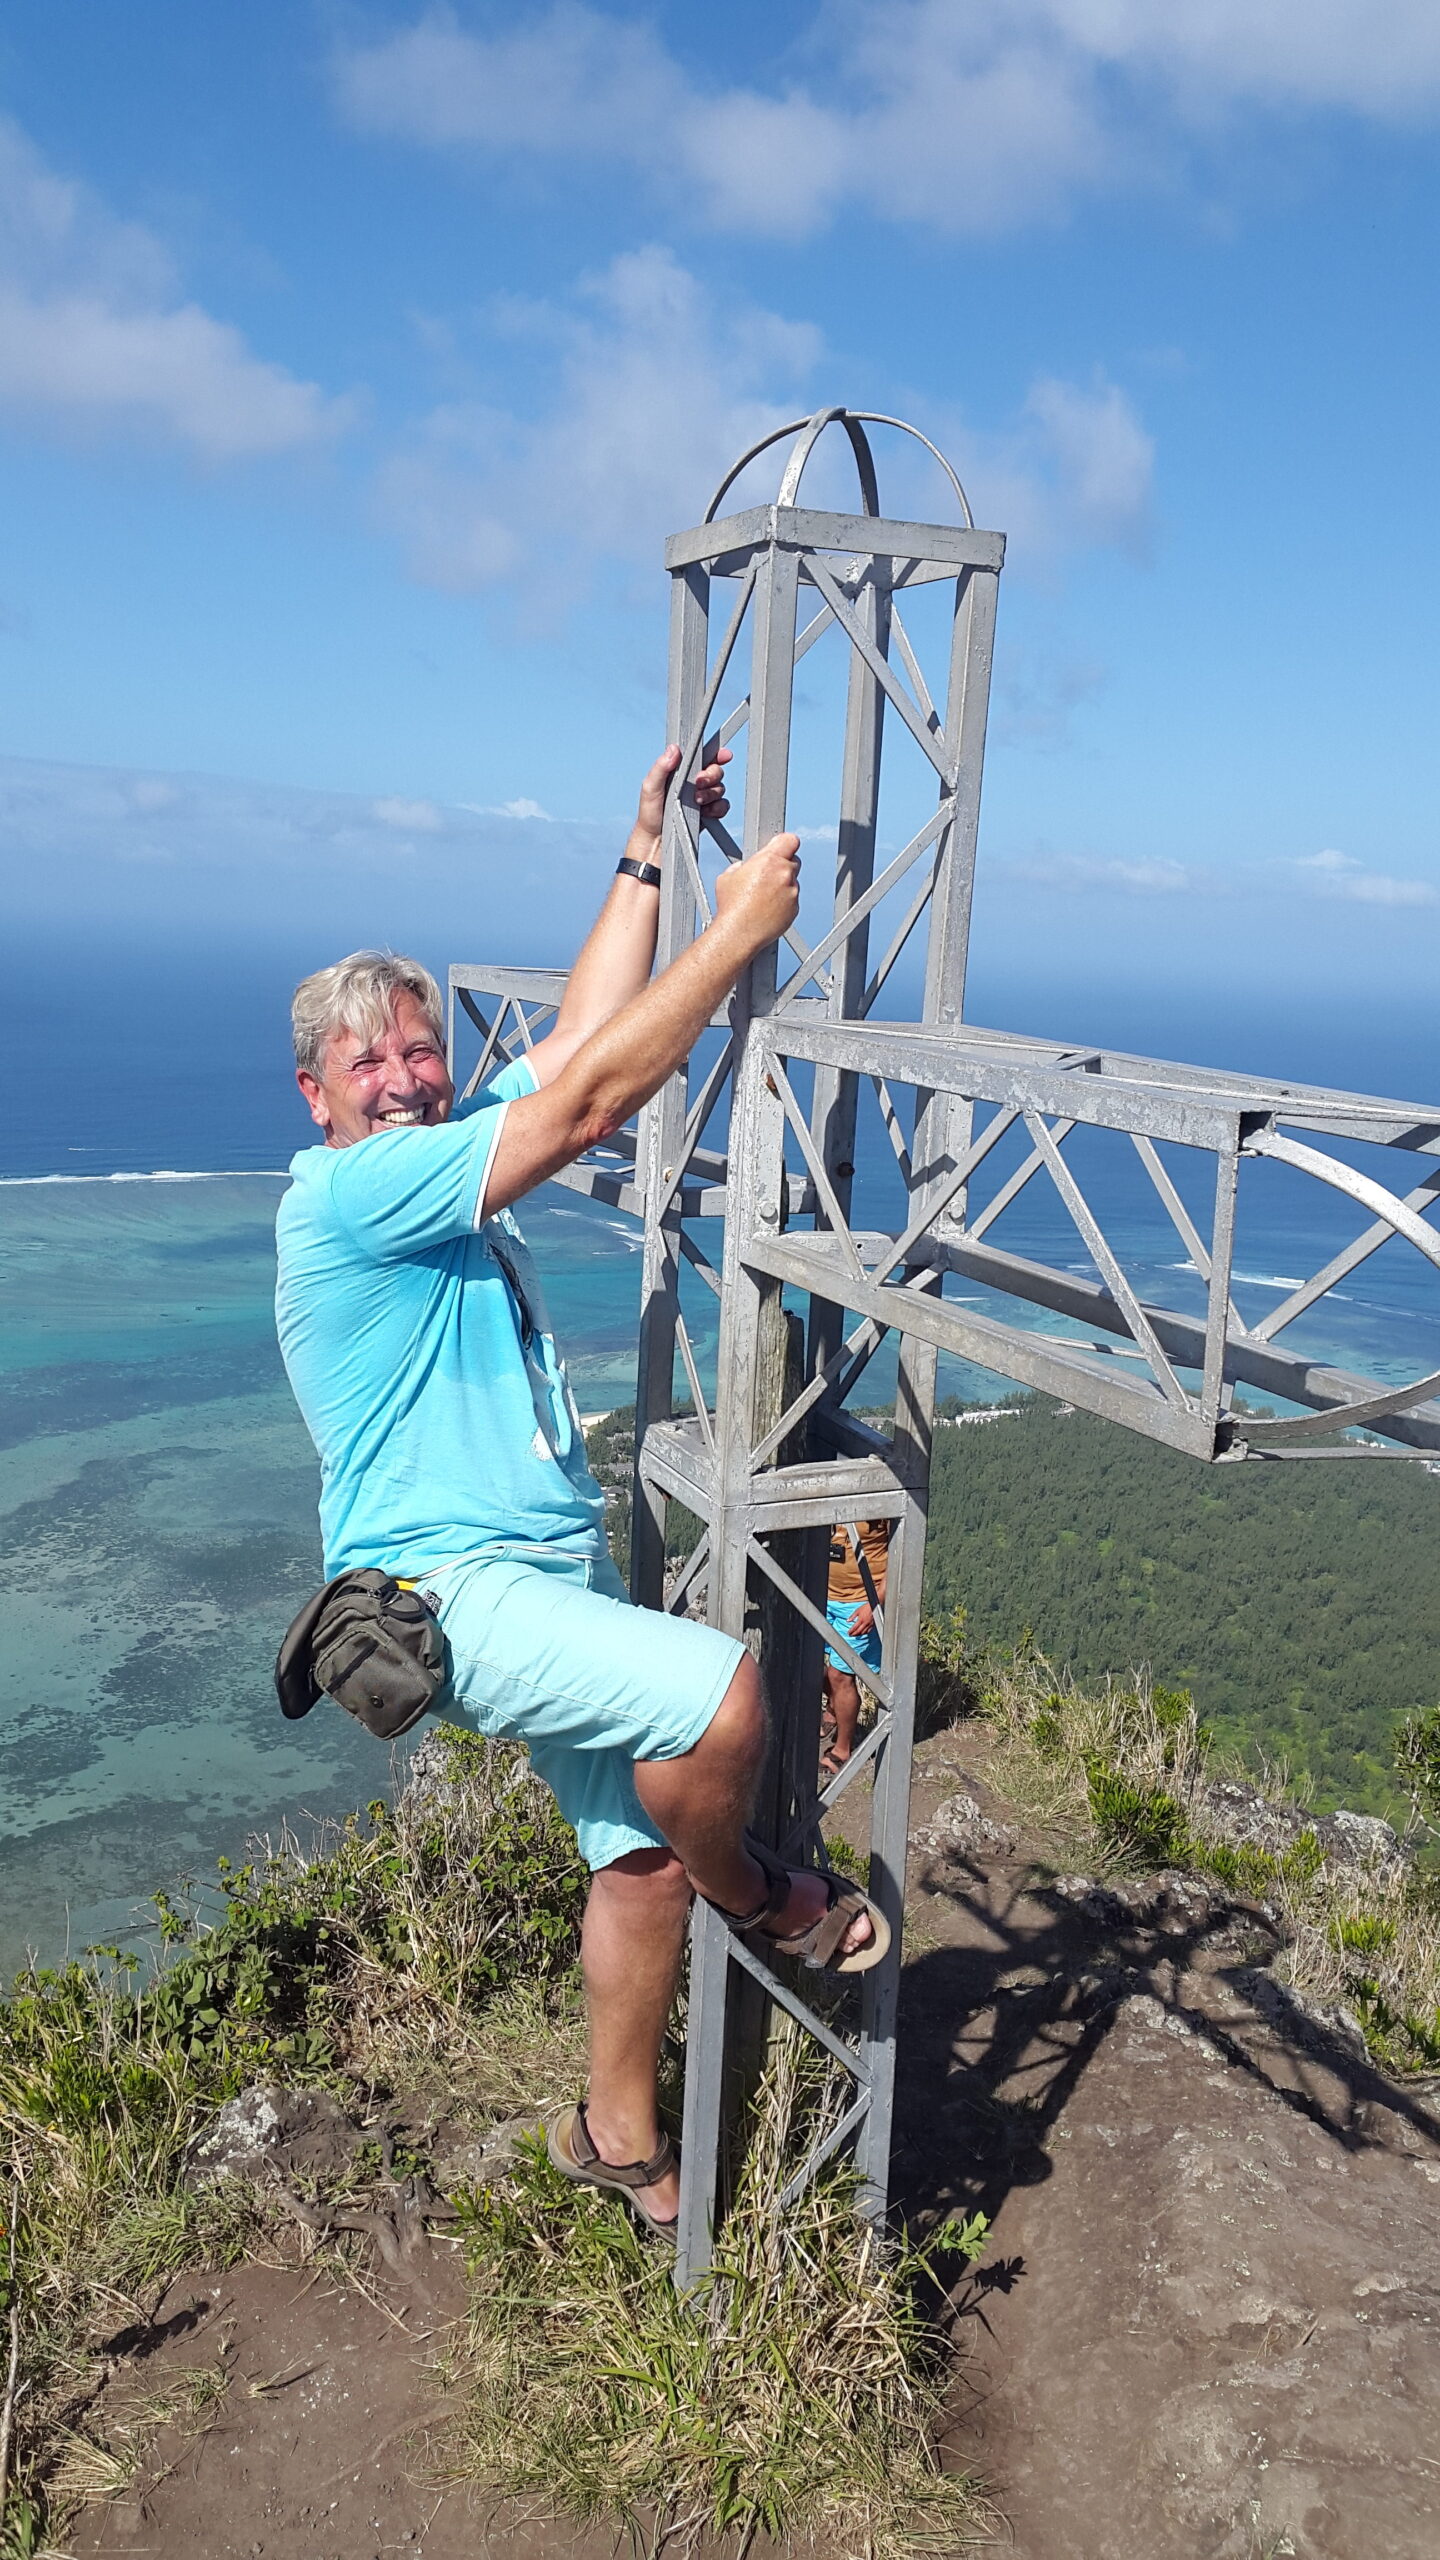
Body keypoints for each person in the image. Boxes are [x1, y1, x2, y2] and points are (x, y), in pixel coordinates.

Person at [274, 747, 889, 2240]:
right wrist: (736, 931)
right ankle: (767, 1898)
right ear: (317, 1095)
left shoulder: (427, 1159)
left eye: (418, 1052)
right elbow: (598, 1093)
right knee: (725, 1706)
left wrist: (640, 851)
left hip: (530, 1578)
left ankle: (615, 2136)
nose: (411, 1079)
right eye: (372, 1064)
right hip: (453, 1596)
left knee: (634, 1863)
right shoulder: (359, 1195)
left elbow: (574, 1045)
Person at [820, 1519, 891, 1777]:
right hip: (821, 1592)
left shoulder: (880, 1503)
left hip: (859, 1601)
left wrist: (875, 1605)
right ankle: (833, 1710)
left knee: (841, 1675)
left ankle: (842, 1749)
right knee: (815, 1665)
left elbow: (899, 1551)